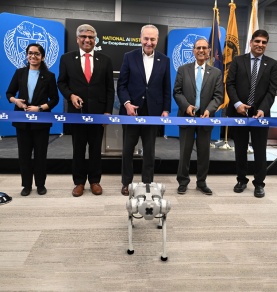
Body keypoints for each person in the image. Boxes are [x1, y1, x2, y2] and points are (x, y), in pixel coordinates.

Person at [57, 24, 115, 197]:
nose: (87, 40)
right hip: (77, 113)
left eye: (91, 37)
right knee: (78, 149)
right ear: (77, 39)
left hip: (98, 113)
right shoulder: (67, 59)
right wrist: (70, 96)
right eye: (84, 36)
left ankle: (95, 181)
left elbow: (109, 89)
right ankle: (79, 182)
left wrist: (107, 113)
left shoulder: (105, 60)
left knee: (96, 149)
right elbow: (62, 83)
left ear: (95, 40)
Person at [117, 24, 171, 196]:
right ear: (140, 38)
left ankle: (147, 182)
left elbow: (166, 87)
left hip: (153, 113)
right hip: (131, 112)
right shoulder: (129, 57)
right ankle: (126, 183)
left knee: (150, 151)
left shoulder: (164, 60)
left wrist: (166, 110)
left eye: (153, 39)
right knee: (127, 150)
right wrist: (126, 104)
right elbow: (122, 85)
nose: (149, 42)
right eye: (146, 38)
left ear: (157, 40)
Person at [226, 29, 277, 198]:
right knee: (240, 149)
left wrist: (263, 109)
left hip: (260, 116)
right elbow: (230, 84)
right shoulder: (237, 60)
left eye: (264, 42)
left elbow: (272, 91)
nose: (260, 45)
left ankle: (259, 183)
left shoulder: (272, 64)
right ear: (251, 42)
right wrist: (237, 104)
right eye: (257, 41)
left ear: (266, 45)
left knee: (260, 150)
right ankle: (241, 180)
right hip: (239, 113)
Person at [6, 43, 59, 196]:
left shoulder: (49, 76)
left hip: (41, 121)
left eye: (36, 54)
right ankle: (26, 185)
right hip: (22, 120)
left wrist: (40, 108)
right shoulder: (19, 73)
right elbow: (9, 93)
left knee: (41, 154)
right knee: (24, 155)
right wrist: (16, 101)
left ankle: (40, 184)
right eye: (30, 53)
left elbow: (54, 99)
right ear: (27, 55)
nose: (33, 56)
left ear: (42, 57)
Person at [173, 38, 223, 196]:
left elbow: (218, 96)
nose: (201, 50)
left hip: (205, 118)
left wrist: (209, 110)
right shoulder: (183, 69)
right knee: (185, 152)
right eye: (198, 48)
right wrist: (186, 106)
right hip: (186, 117)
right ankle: (182, 181)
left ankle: (201, 182)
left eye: (204, 48)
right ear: (193, 51)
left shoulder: (216, 73)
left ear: (209, 51)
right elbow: (177, 91)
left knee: (204, 153)